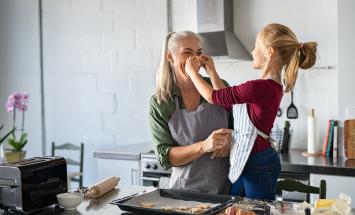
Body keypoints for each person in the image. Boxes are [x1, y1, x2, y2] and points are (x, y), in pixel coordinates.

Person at [185, 23, 317, 200]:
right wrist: (212, 71)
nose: (253, 51)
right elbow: (227, 102)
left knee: (257, 211)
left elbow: (213, 97)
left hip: (257, 161)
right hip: (250, 158)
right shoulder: (270, 87)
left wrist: (192, 73)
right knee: (236, 206)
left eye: (256, 46)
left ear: (269, 52)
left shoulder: (258, 88)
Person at [149, 31, 234, 194]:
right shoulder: (161, 102)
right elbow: (165, 157)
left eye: (199, 53)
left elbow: (243, 130)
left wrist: (232, 140)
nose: (194, 59)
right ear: (170, 57)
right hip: (184, 194)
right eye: (187, 52)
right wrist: (203, 146)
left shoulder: (219, 87)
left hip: (227, 191)